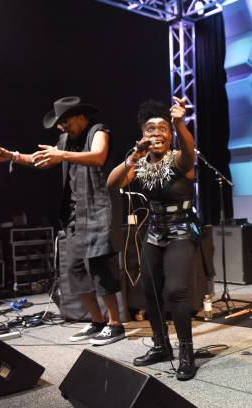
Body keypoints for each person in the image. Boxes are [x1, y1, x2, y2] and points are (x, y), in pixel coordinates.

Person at [0, 96, 125, 345]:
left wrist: (63, 155)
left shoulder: (98, 131)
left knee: (100, 269)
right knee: (74, 271)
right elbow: (41, 159)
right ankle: (97, 321)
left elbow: (98, 156)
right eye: (59, 124)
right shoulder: (64, 141)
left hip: (97, 211)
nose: (61, 128)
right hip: (73, 215)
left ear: (81, 116)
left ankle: (115, 324)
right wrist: (12, 156)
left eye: (64, 122)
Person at [107, 97, 199, 381]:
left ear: (169, 135)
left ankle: (186, 351)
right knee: (149, 291)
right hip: (155, 231)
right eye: (150, 129)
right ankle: (161, 345)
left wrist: (180, 122)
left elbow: (189, 153)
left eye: (162, 128)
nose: (157, 133)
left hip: (181, 231)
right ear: (142, 135)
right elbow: (113, 183)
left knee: (175, 291)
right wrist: (134, 155)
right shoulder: (141, 163)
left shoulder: (180, 159)